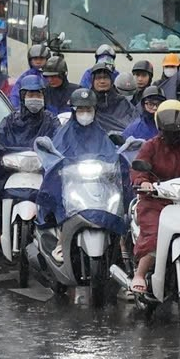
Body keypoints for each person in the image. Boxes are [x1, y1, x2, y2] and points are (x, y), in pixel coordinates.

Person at [44, 89, 132, 263]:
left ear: (94, 111)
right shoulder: (63, 134)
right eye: (81, 110)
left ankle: (120, 240)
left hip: (97, 183)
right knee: (61, 201)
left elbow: (110, 154)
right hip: (71, 184)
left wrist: (117, 159)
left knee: (117, 201)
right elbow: (54, 157)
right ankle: (61, 241)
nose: (85, 114)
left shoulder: (100, 133)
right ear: (74, 111)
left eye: (89, 110)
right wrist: (61, 167)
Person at [131, 99, 180, 294]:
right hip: (154, 201)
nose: (172, 133)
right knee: (156, 235)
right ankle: (140, 274)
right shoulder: (150, 146)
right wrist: (143, 182)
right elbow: (138, 168)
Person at [0, 74, 60, 253]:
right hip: (13, 169)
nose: (34, 98)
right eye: (30, 95)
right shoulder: (10, 120)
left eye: (38, 94)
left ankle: (56, 235)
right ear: (22, 96)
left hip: (41, 169)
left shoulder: (50, 120)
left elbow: (60, 139)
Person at [88, 62, 137, 132]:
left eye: (105, 77)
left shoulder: (122, 102)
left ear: (111, 80)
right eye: (98, 78)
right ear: (92, 81)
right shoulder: (87, 102)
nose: (102, 81)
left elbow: (134, 124)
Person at [8, 43, 52, 108]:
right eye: (35, 59)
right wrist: (18, 110)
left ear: (47, 60)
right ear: (30, 61)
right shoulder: (25, 76)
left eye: (41, 59)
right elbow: (15, 95)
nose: (38, 62)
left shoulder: (52, 75)